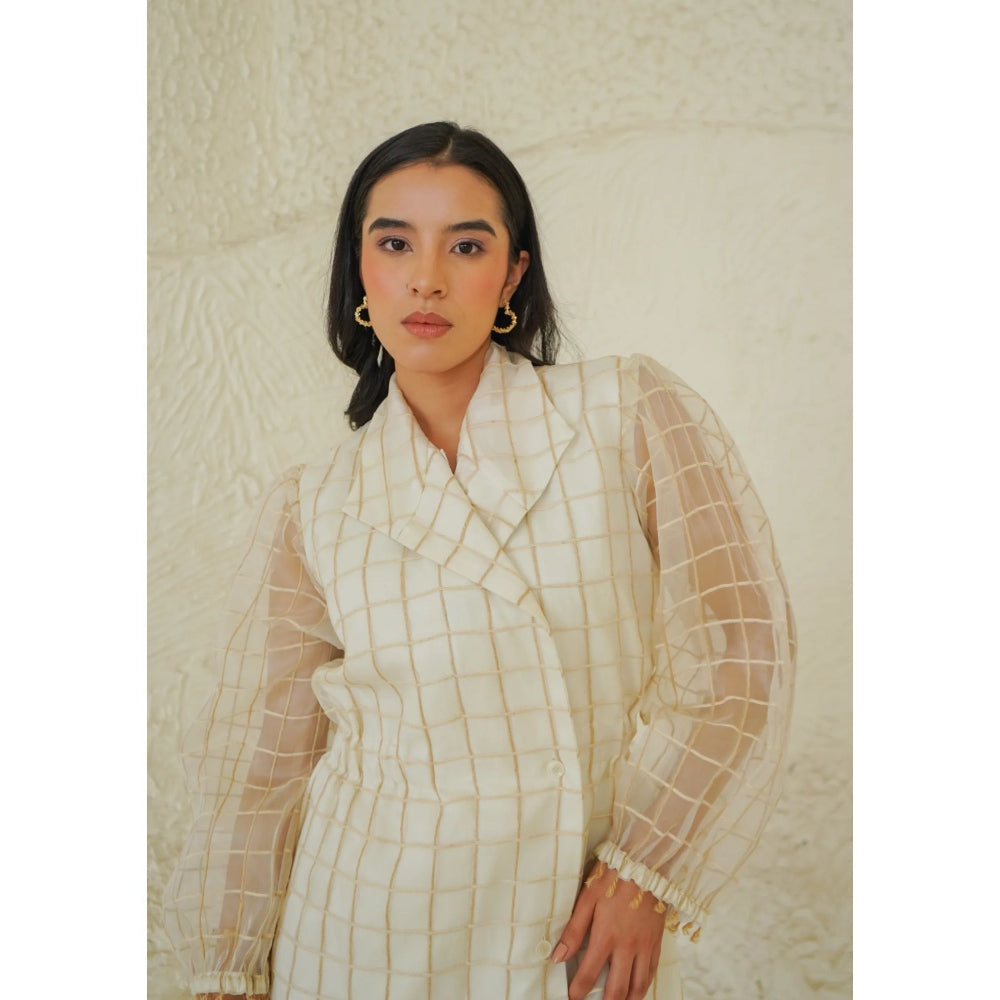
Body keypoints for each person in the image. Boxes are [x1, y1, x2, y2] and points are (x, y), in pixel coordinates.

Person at [163, 121, 796, 1000]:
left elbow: (739, 653)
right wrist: (227, 973)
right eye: (395, 244)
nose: (426, 278)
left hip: (569, 931)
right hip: (356, 936)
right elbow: (260, 771)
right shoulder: (315, 504)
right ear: (359, 273)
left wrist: (644, 871)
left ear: (513, 274)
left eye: (466, 245)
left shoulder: (623, 413)